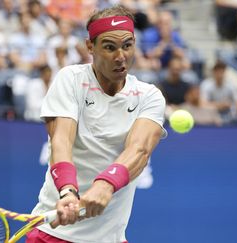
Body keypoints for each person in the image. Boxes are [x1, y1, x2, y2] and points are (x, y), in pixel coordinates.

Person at [26, 5, 166, 243]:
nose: (121, 56)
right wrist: (67, 190)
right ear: (90, 46)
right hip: (53, 233)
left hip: (109, 238)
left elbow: (139, 151)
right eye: (110, 47)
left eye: (127, 45)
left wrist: (105, 184)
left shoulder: (149, 96)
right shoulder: (70, 79)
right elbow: (61, 140)